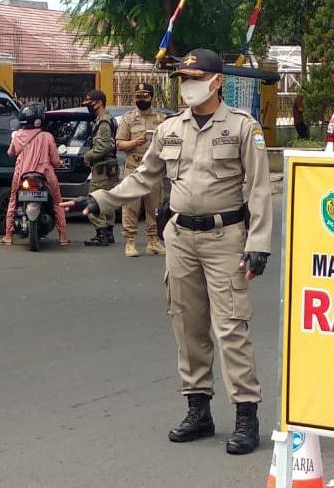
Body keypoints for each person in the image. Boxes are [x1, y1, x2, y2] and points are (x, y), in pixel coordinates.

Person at [64, 49, 272, 455]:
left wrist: (257, 244)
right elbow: (144, 177)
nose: (186, 85)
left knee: (230, 326)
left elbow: (259, 189)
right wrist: (102, 200)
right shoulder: (169, 129)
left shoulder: (244, 128)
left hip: (224, 237)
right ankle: (198, 410)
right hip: (179, 238)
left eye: (193, 78)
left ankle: (246, 414)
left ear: (216, 82)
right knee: (186, 323)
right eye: (182, 79)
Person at [0, 103, 68, 247]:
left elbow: (10, 153)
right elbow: (55, 161)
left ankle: (8, 235)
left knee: (13, 200)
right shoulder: (47, 136)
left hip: (22, 175)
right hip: (45, 175)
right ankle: (63, 236)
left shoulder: (17, 135)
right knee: (57, 203)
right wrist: (58, 163)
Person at [114, 81, 166, 258]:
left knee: (155, 207)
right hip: (134, 168)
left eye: (144, 96)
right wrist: (134, 143)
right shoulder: (128, 118)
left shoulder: (160, 119)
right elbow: (119, 144)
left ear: (151, 97)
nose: (141, 99)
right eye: (138, 96)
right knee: (131, 206)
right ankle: (130, 242)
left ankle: (153, 241)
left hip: (153, 169)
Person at [81, 89, 118, 247]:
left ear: (99, 102)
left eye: (90, 102)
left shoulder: (103, 121)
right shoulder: (109, 119)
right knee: (107, 200)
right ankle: (108, 233)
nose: (88, 105)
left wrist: (88, 156)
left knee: (94, 200)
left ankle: (101, 234)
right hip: (109, 167)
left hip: (102, 167)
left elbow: (103, 146)